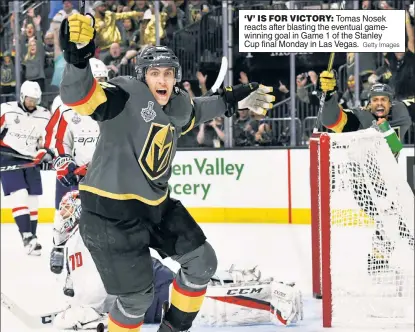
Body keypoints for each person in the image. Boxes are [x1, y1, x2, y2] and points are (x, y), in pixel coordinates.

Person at [59, 12, 275, 332]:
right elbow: (81, 97)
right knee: (136, 300)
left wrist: (231, 100)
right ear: (142, 76)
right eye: (155, 73)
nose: (162, 80)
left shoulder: (176, 105)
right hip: (109, 215)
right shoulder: (124, 94)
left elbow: (198, 110)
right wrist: (77, 61)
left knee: (202, 264)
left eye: (168, 74)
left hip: (156, 207)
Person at [50, 193, 303, 330]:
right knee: (195, 286)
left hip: (143, 291)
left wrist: (79, 316)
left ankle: (273, 297)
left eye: (66, 210)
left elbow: (94, 294)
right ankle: (239, 278)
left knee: (206, 307)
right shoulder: (86, 235)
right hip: (146, 274)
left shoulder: (80, 240)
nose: (61, 216)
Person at [319, 72, 414, 274]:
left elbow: (393, 146)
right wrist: (328, 95)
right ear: (369, 103)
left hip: (387, 182)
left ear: (391, 103)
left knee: (394, 219)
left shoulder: (401, 115)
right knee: (391, 219)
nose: (379, 104)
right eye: (375, 100)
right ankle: (379, 259)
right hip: (363, 185)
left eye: (384, 100)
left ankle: (378, 260)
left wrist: (385, 128)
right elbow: (329, 120)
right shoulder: (357, 118)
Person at [50, 190, 175, 330]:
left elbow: (96, 288)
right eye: (62, 210)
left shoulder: (90, 233)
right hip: (141, 288)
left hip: (154, 285)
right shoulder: (76, 238)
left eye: (67, 210)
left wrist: (87, 312)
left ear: (79, 211)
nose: (61, 215)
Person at [45, 57, 107, 223]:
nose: (100, 85)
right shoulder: (67, 109)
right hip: (80, 178)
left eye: (103, 80)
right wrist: (64, 162)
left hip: (110, 177)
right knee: (69, 220)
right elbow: (58, 140)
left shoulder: (118, 107)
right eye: (96, 80)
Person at [0, 80, 54, 254]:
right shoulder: (6, 110)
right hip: (8, 156)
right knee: (19, 194)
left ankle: (33, 237)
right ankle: (26, 235)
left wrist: (45, 151)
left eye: (36, 100)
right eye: (30, 99)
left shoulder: (44, 115)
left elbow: (50, 138)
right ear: (22, 97)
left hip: (31, 159)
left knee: (32, 200)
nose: (32, 103)